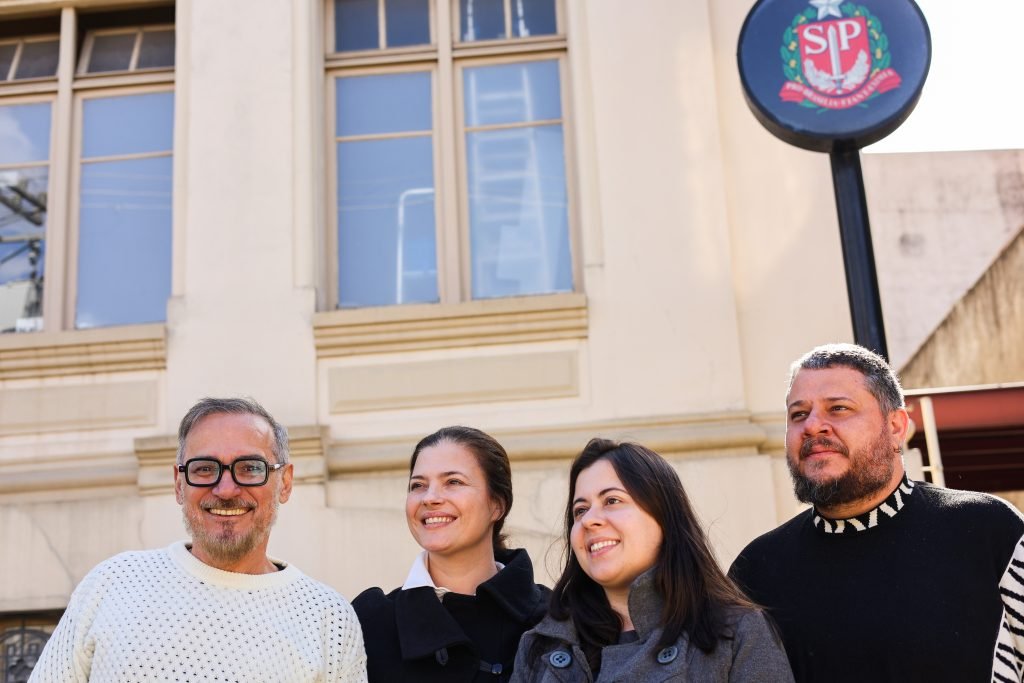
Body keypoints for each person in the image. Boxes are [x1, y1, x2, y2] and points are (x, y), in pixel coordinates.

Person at [729, 343, 1024, 682]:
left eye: (838, 408)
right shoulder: (756, 573)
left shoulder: (987, 531)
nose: (812, 426)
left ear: (896, 426)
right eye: (798, 414)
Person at [30, 397, 367, 682]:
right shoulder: (112, 584)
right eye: (205, 468)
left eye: (249, 468)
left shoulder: (328, 619)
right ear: (179, 483)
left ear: (285, 482)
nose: (225, 489)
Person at [513, 439, 793, 682]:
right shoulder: (541, 647)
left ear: (663, 518)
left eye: (612, 500)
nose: (589, 520)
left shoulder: (735, 633)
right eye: (580, 510)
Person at [353, 426, 550, 682]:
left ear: (497, 505)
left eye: (453, 482)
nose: (430, 498)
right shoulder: (369, 622)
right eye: (418, 485)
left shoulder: (552, 621)